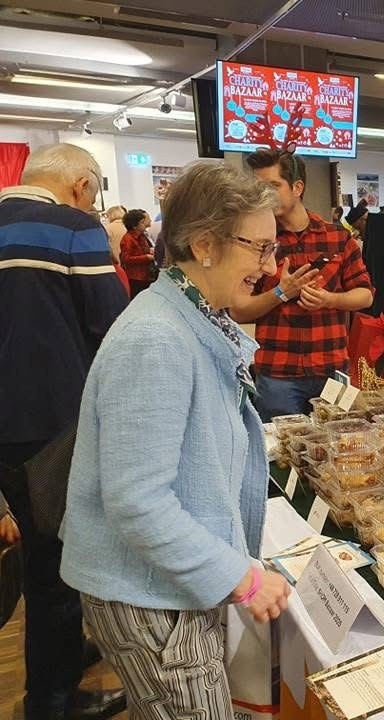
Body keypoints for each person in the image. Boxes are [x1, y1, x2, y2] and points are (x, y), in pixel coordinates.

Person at [60, 161, 292, 714]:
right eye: (260, 248)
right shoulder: (156, 337)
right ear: (205, 245)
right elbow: (138, 501)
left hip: (165, 584)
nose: (269, 267)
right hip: (148, 596)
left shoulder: (189, 314)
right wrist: (240, 578)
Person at [0, 143, 128, 720]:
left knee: (39, 558)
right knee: (57, 568)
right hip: (52, 429)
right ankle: (51, 702)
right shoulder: (75, 228)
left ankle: (64, 660)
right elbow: (113, 329)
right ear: (82, 186)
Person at [231, 149, 373, 421]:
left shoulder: (337, 238)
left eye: (273, 186)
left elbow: (365, 296)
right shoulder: (253, 242)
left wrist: (329, 299)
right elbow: (238, 311)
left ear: (297, 187)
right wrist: (280, 293)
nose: (264, 195)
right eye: (258, 188)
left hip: (332, 368)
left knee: (339, 440)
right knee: (279, 444)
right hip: (278, 374)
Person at [119, 208, 155, 297]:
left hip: (146, 274)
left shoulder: (142, 236)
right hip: (136, 277)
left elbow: (142, 250)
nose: (145, 224)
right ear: (135, 226)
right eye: (142, 222)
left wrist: (150, 251)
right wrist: (146, 257)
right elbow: (126, 259)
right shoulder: (127, 239)